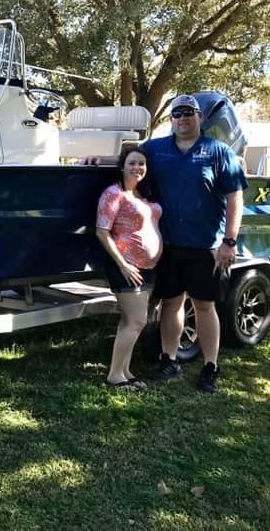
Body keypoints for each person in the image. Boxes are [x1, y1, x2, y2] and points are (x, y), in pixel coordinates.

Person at [142, 94, 247, 394]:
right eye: (177, 113)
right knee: (171, 303)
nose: (183, 118)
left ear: (200, 117)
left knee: (204, 305)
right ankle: (169, 359)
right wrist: (96, 159)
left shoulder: (219, 152)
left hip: (207, 247)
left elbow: (234, 197)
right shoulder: (156, 149)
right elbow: (128, 160)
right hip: (169, 244)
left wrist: (229, 241)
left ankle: (210, 366)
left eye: (189, 113)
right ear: (171, 119)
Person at [94, 145, 162, 391]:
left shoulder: (143, 195)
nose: (137, 168)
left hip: (148, 266)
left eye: (141, 163)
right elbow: (102, 231)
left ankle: (124, 370)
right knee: (136, 320)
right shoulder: (113, 194)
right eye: (132, 163)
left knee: (130, 321)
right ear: (122, 166)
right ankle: (114, 376)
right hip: (127, 266)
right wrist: (123, 265)